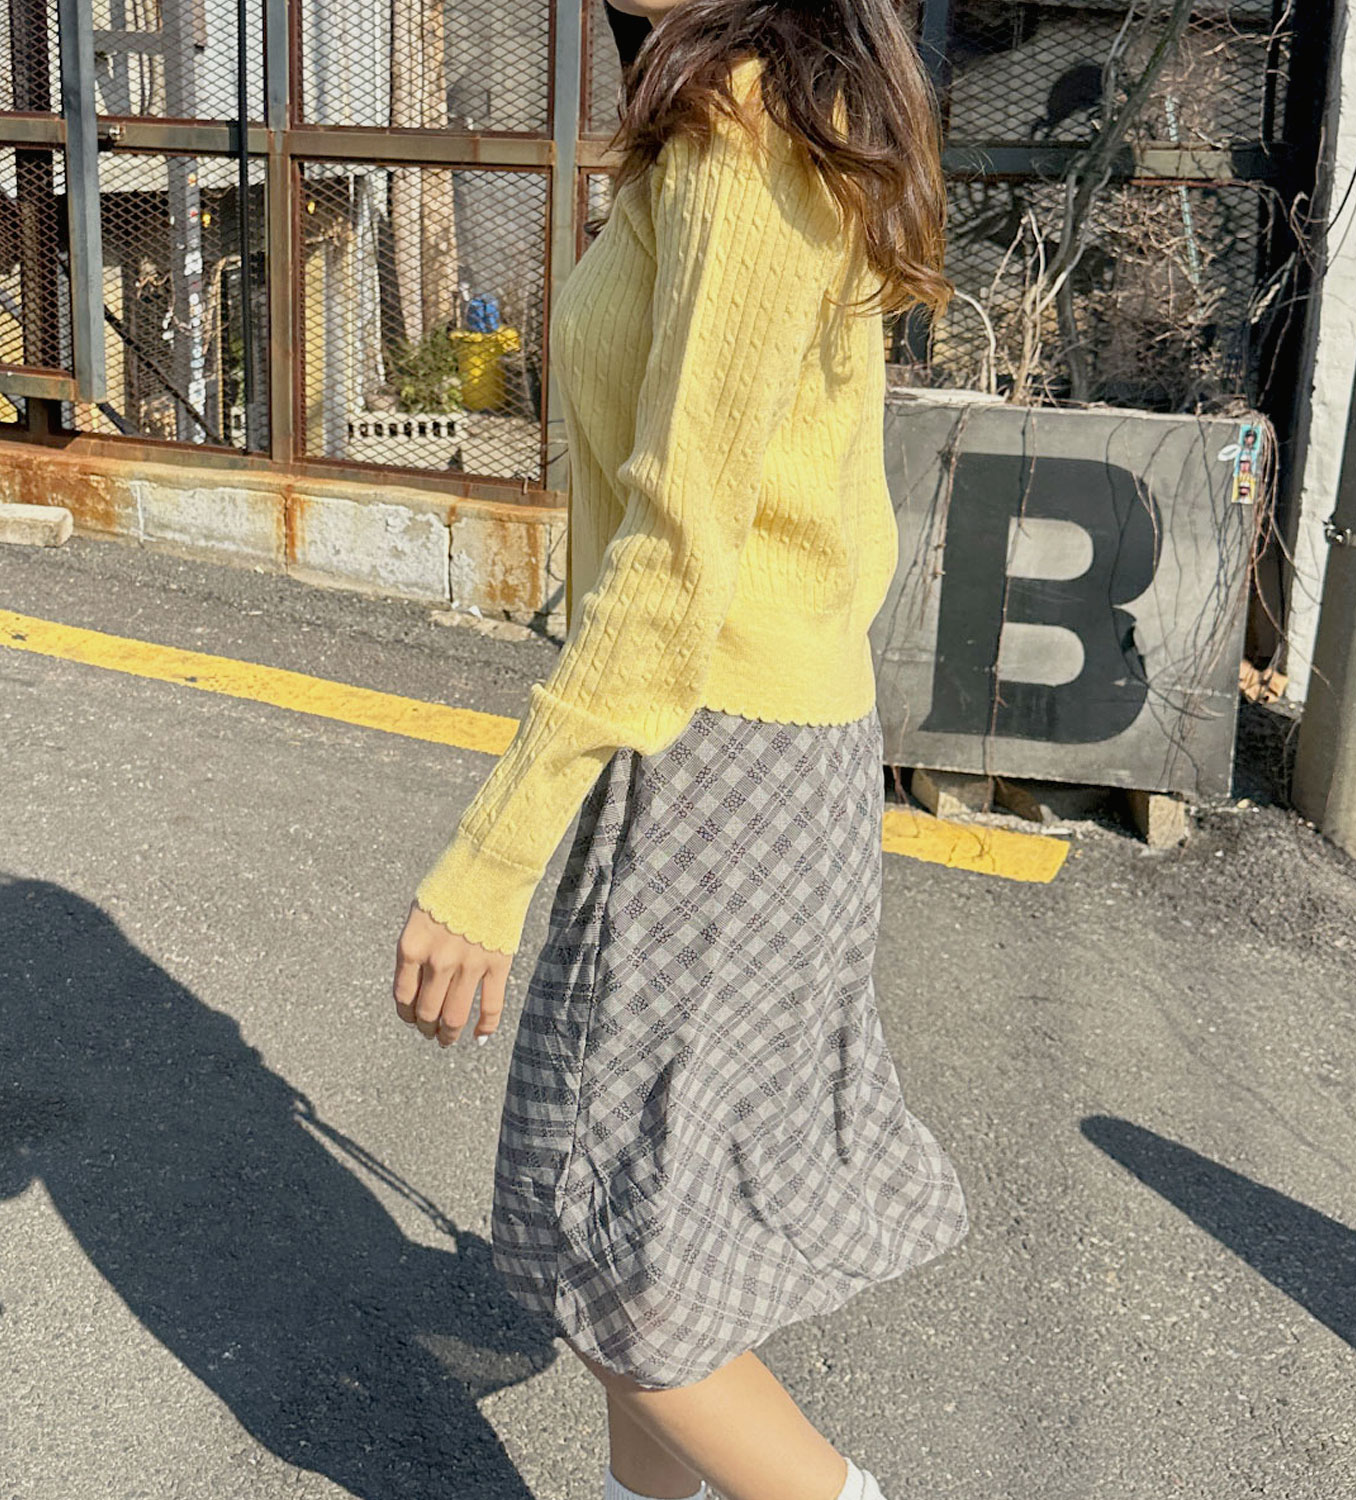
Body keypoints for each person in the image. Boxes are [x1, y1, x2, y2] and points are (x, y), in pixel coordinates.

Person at [390, 2, 969, 1497]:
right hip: (770, 742)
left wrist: (492, 858)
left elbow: (674, 551)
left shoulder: (743, 122)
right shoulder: (779, 115)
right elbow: (822, 503)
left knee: (615, 1259)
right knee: (662, 1222)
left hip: (715, 751)